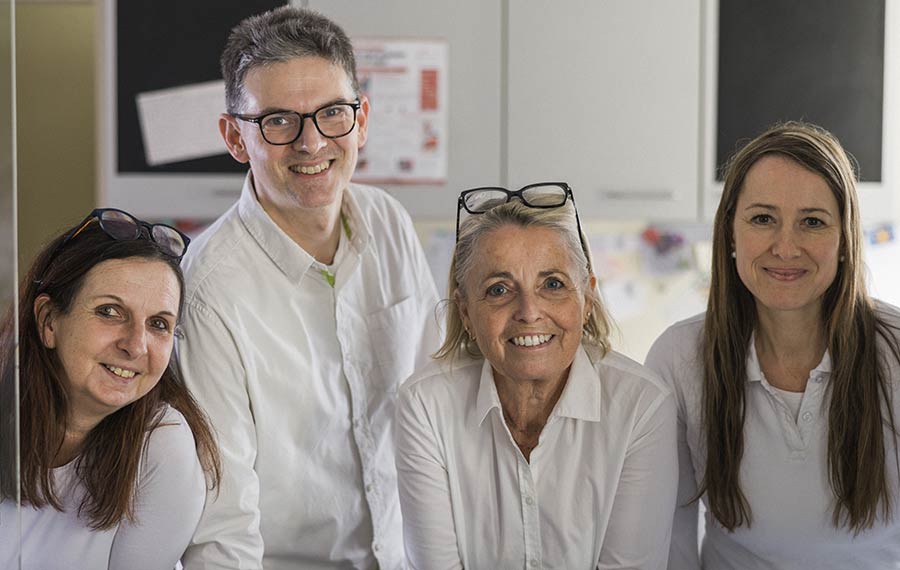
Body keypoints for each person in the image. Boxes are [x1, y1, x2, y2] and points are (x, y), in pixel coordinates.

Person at [177, 6, 441, 570]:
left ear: (361, 119)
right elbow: (222, 526)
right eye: (278, 121)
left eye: (332, 113)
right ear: (235, 137)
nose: (312, 142)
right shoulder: (207, 292)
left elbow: (432, 405)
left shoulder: (389, 223)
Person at [645, 121, 900, 568]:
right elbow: (669, 543)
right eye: (763, 219)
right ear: (731, 232)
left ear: (845, 239)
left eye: (812, 222)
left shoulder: (893, 351)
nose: (786, 247)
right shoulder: (679, 357)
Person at [396, 183, 678, 569]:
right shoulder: (425, 405)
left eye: (553, 284)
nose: (529, 312)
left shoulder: (642, 406)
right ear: (465, 312)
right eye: (498, 289)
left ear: (587, 298)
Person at [0, 208, 220, 570]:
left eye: (159, 324)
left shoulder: (161, 445)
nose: (136, 346)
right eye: (110, 312)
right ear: (49, 321)